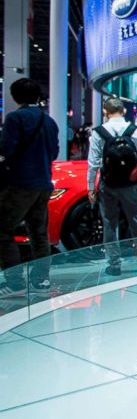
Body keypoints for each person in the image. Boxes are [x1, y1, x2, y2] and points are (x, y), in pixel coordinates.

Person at [0, 79, 60, 297]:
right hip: (44, 182)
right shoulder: (49, 121)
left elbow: (7, 149)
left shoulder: (15, 118)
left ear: (15, 97)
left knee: (4, 230)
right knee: (39, 234)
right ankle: (41, 280)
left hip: (20, 183)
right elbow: (54, 153)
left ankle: (14, 283)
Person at [87, 97, 137, 276]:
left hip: (109, 184)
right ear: (124, 111)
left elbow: (93, 163)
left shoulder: (98, 132)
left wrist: (91, 187)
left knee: (109, 224)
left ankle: (114, 265)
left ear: (105, 112)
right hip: (131, 184)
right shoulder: (136, 131)